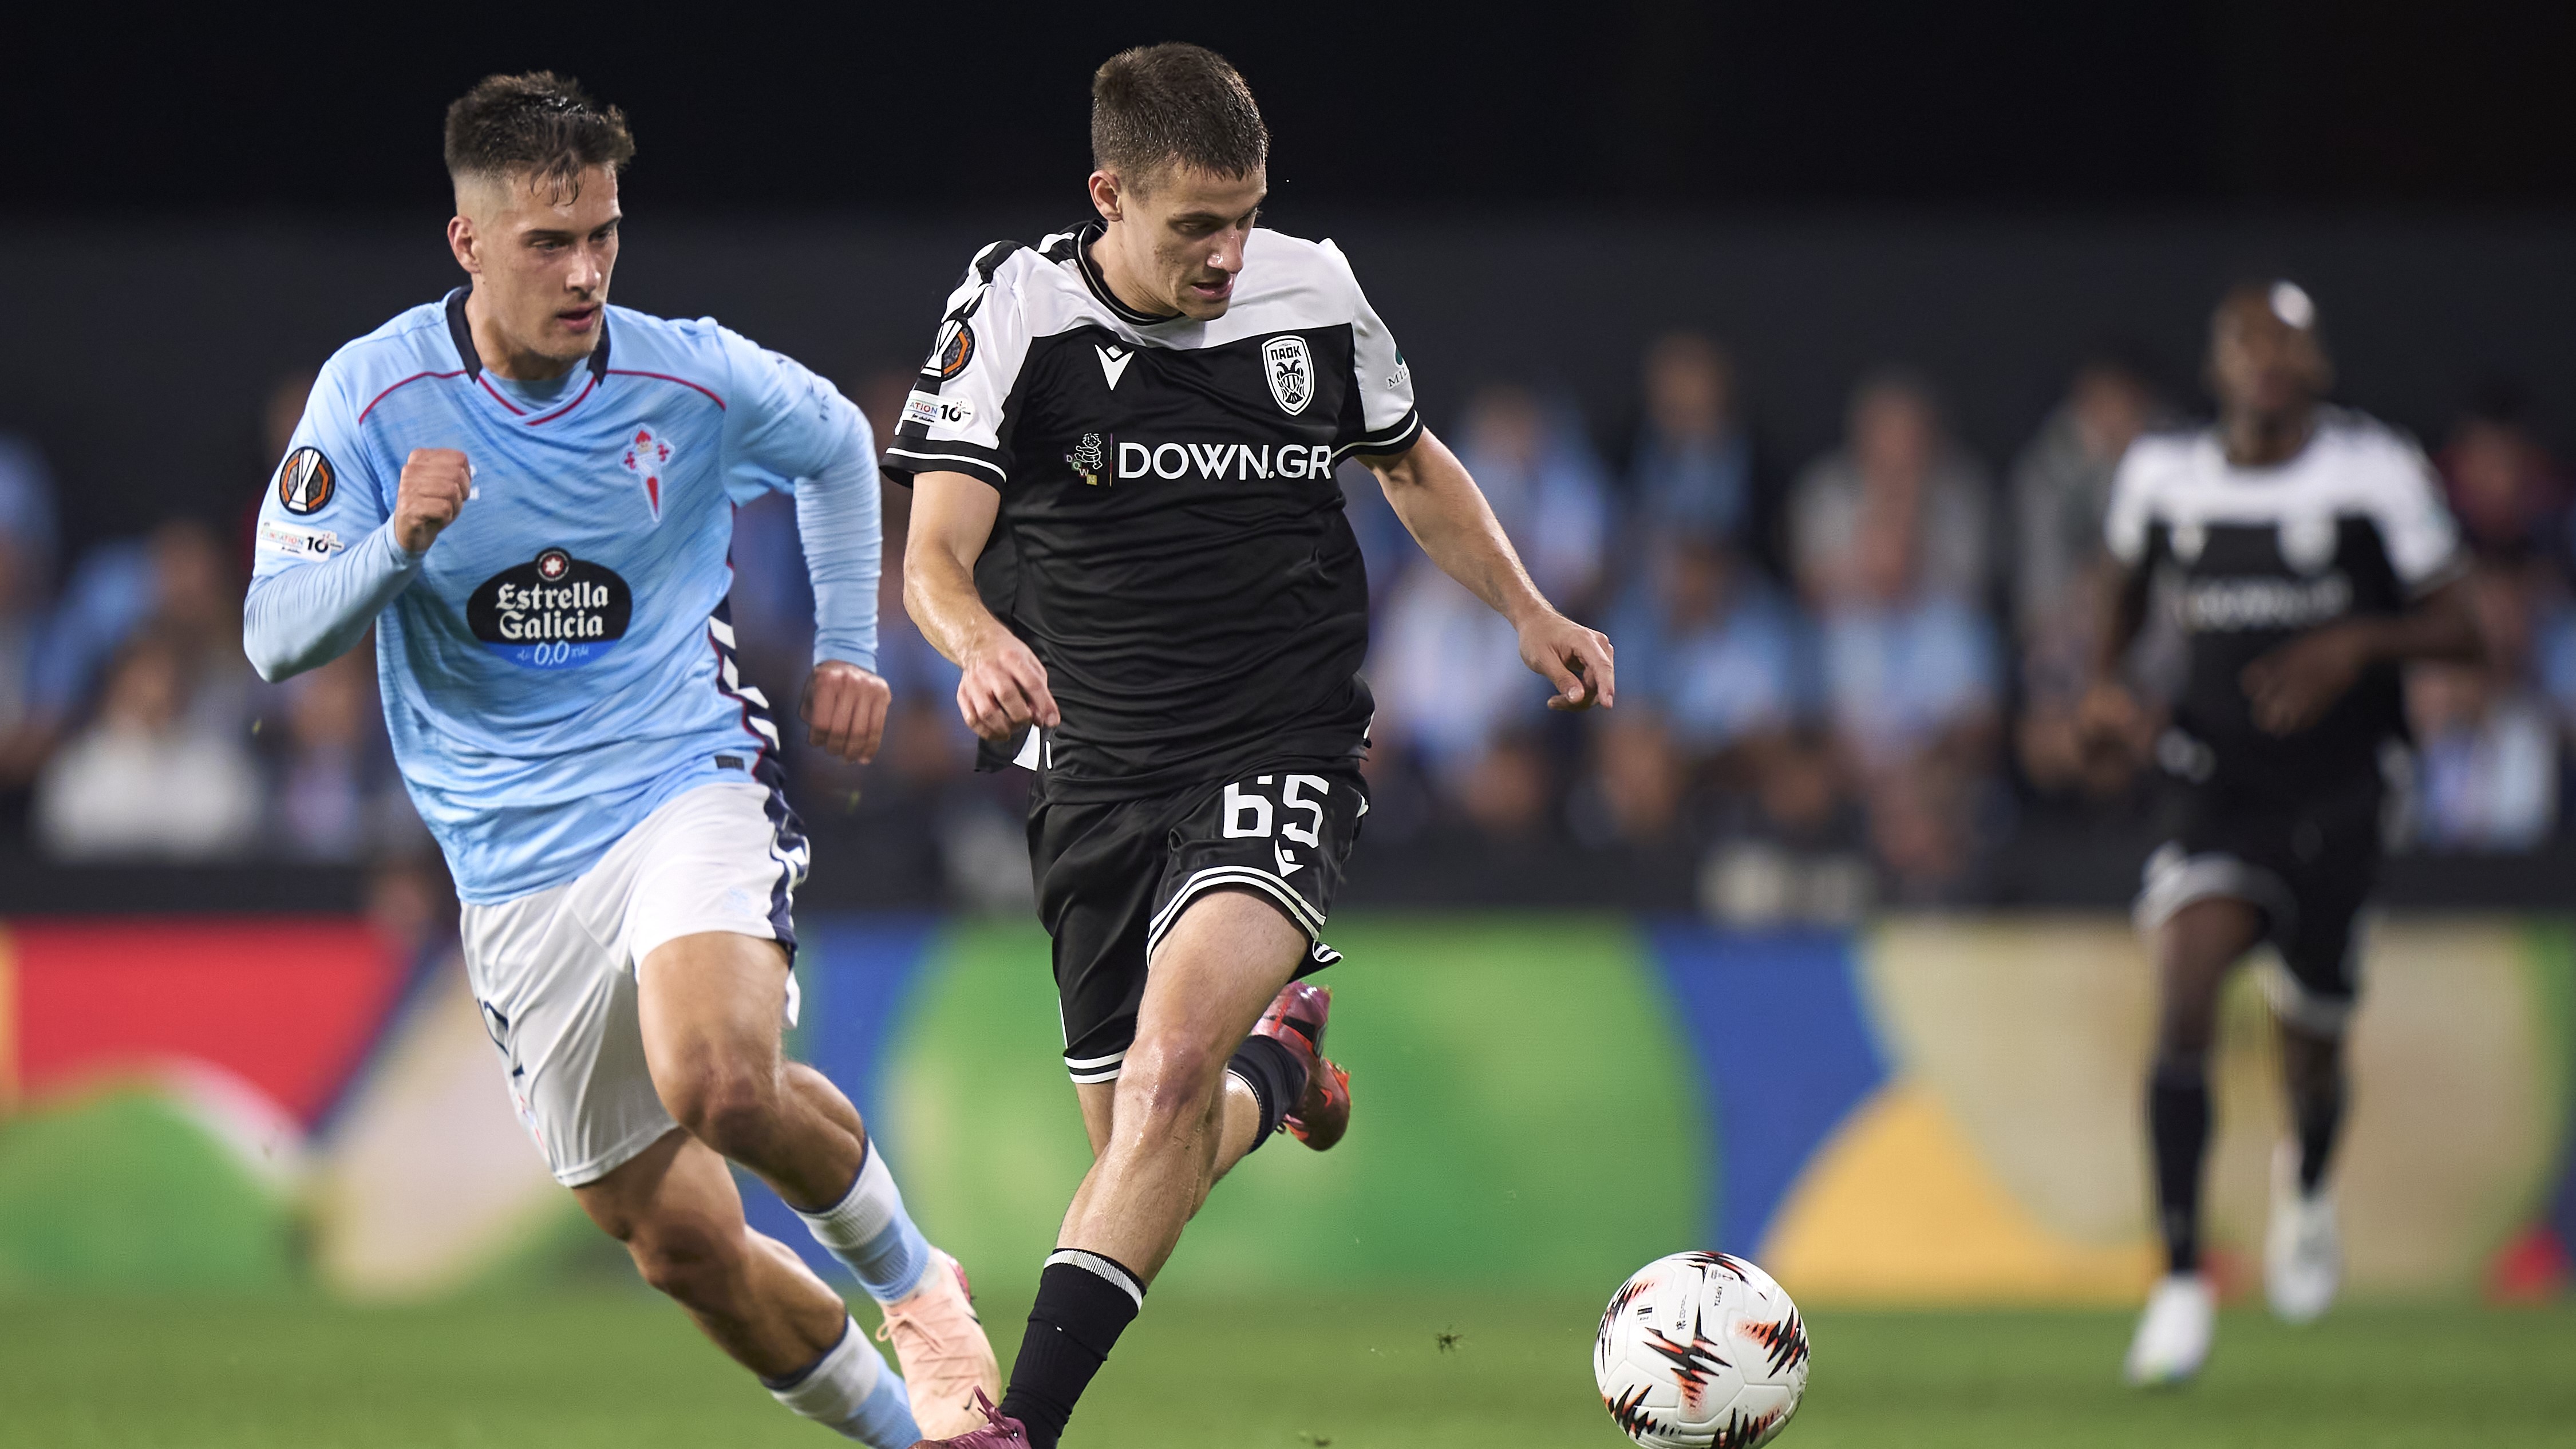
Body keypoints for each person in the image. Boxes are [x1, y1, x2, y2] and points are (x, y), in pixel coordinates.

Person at [235, 73, 997, 1444]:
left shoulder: (685, 374)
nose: (585, 272)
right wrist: (395, 543)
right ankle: (917, 1438)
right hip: (510, 867)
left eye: (603, 235)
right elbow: (275, 637)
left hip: (678, 775)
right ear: (469, 242)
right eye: (549, 243)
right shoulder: (373, 395)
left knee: (720, 1076)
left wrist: (848, 647)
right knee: (678, 1245)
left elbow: (837, 441)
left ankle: (920, 1296)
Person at [886, 44, 1614, 1449]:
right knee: (1142, 1146)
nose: (1229, 254)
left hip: (1280, 741)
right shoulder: (1017, 310)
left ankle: (1015, 1429)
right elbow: (933, 559)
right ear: (1110, 196)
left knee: (1165, 1080)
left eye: (1247, 217)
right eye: (1196, 225)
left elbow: (1408, 460)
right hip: (1096, 770)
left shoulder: (1314, 292)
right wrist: (975, 644)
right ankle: (1280, 1073)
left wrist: (1527, 609)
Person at [2083, 282, 2480, 1385]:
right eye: (2247, 342)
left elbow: (2466, 631)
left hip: (2339, 792)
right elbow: (2121, 593)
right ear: (2217, 364)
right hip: (2213, 781)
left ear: (2319, 366)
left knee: (2312, 1042)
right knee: (2186, 981)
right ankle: (2178, 1281)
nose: (2266, 360)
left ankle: (2304, 1183)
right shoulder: (2164, 475)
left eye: (2287, 344)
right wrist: (2106, 689)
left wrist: (2354, 643)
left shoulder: (2374, 473)